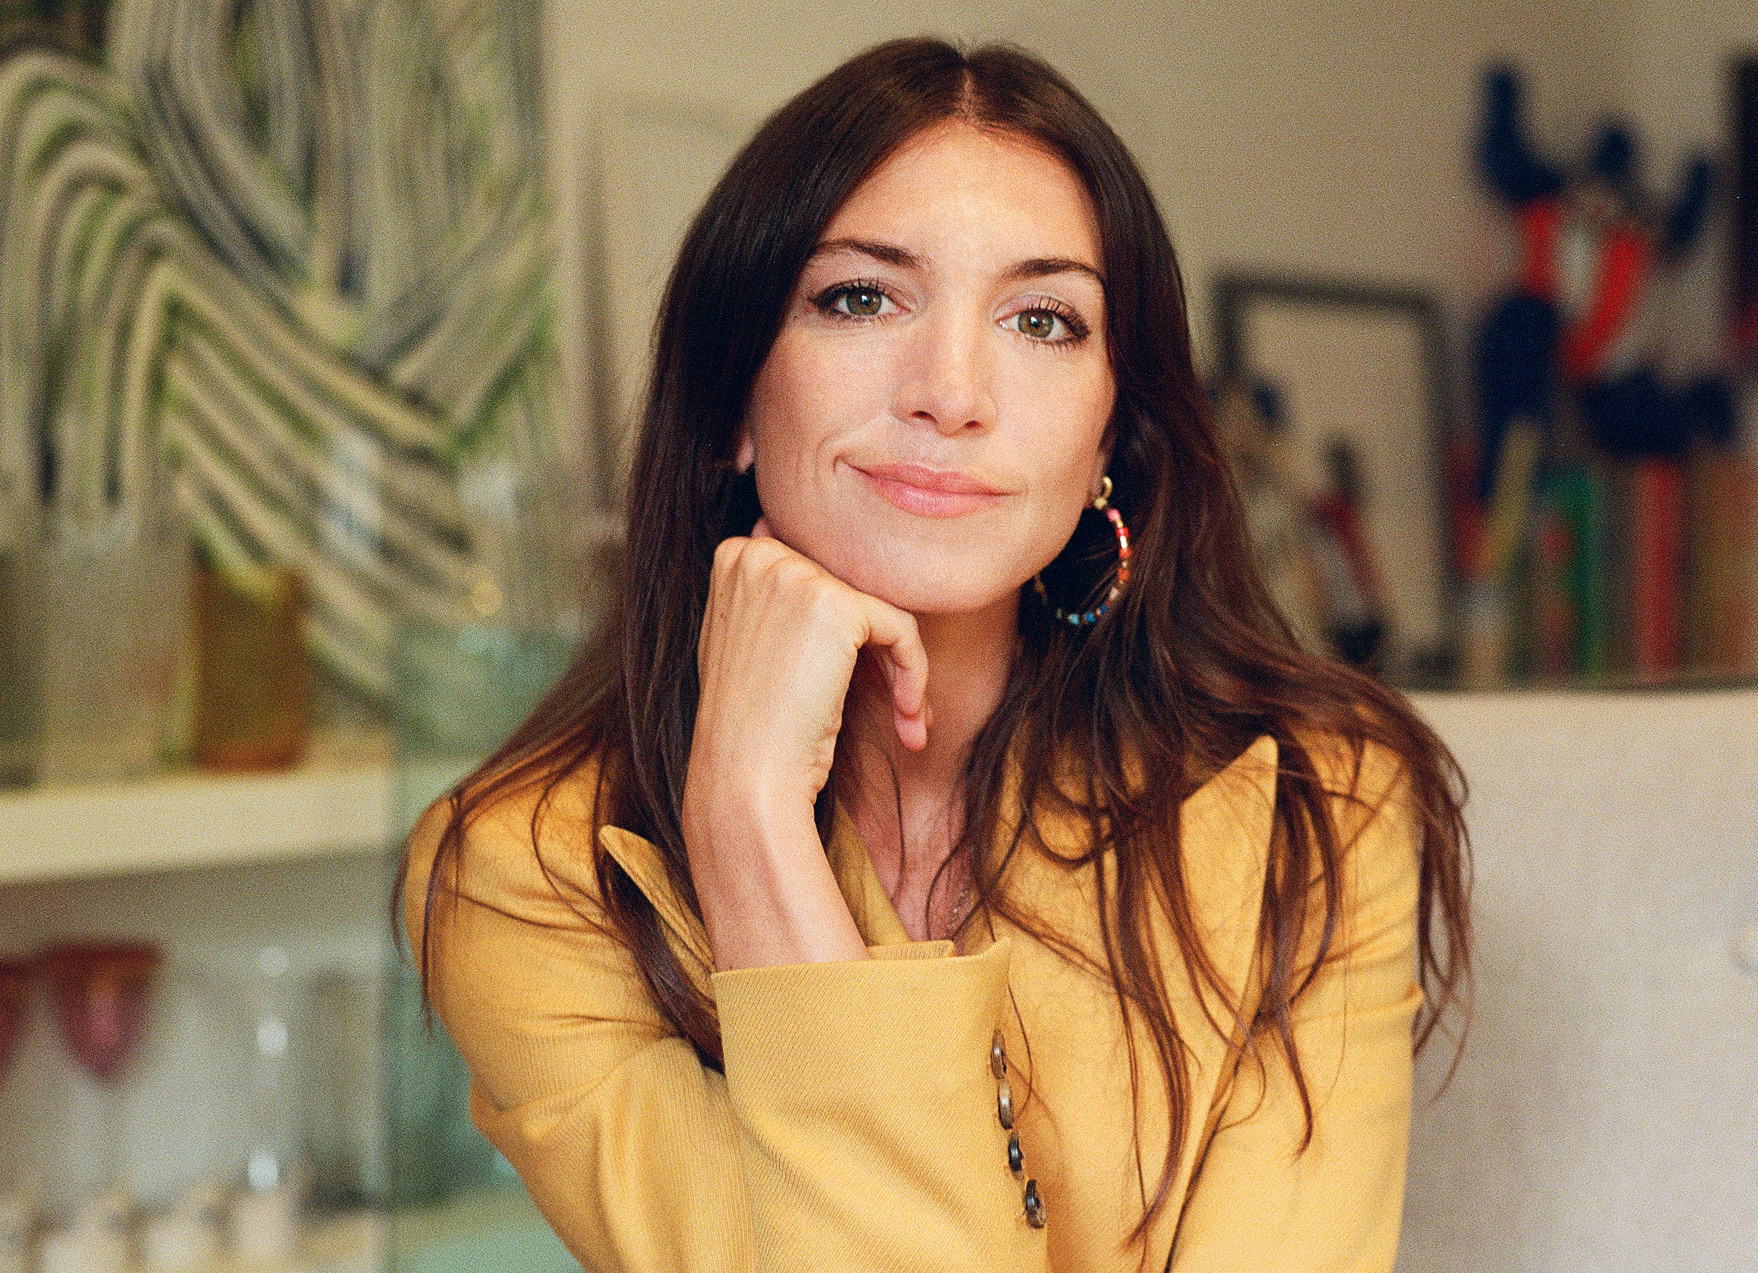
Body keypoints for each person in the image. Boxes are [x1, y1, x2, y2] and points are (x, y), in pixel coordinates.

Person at [400, 36, 1470, 1273]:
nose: (952, 391)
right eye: (861, 297)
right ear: (737, 400)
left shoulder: (1316, 811)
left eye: (1042, 319)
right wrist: (748, 820)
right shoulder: (525, 875)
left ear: (1111, 427)